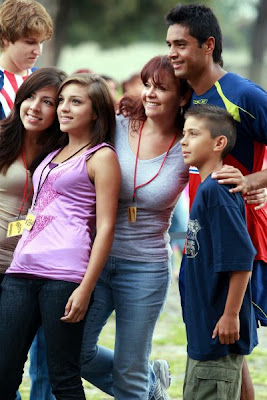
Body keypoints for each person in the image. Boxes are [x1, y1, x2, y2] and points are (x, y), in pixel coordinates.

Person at [165, 4, 267, 399]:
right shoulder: (187, 96)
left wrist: (254, 179)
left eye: (181, 44)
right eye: (169, 43)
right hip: (199, 235)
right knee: (222, 350)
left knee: (228, 339)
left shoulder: (241, 94)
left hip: (235, 238)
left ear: (208, 45)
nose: (172, 52)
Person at [0, 72, 121, 400]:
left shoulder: (102, 156)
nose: (65, 108)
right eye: (63, 101)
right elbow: (40, 213)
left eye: (76, 102)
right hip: (20, 270)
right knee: (4, 372)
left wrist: (86, 288)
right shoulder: (52, 154)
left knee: (63, 377)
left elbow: (106, 226)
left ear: (95, 112)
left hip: (64, 276)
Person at [81, 55, 191, 400]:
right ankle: (151, 383)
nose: (150, 94)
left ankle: (141, 382)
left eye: (162, 88)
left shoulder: (187, 143)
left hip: (145, 267)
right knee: (74, 353)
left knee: (129, 371)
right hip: (96, 259)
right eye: (147, 85)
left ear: (183, 97)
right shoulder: (118, 123)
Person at [181, 103, 258, 400]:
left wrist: (230, 315)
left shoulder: (217, 191)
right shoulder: (207, 187)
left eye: (193, 134)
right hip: (205, 326)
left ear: (219, 143)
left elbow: (241, 259)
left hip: (217, 328)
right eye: (184, 134)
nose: (184, 141)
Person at [0, 0, 53, 119]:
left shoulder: (45, 80)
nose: (38, 52)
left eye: (41, 42)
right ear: (5, 38)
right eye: (30, 42)